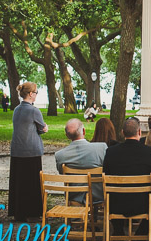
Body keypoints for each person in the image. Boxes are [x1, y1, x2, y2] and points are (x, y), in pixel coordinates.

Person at [103, 117, 151, 239]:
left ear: (122, 132)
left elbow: (106, 177)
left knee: (110, 194)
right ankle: (140, 235)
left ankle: (118, 232)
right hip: (144, 203)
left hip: (116, 203)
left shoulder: (111, 152)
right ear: (139, 132)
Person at [9, 82, 48, 221]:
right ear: (31, 94)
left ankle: (19, 211)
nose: (36, 94)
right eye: (36, 92)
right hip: (31, 150)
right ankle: (33, 211)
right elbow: (41, 128)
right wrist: (45, 128)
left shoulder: (16, 110)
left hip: (17, 150)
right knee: (33, 182)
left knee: (19, 182)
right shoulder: (34, 111)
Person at [55, 118, 107, 202]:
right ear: (84, 131)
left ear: (67, 135)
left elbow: (62, 173)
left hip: (74, 196)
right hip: (98, 195)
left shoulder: (60, 155)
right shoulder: (102, 148)